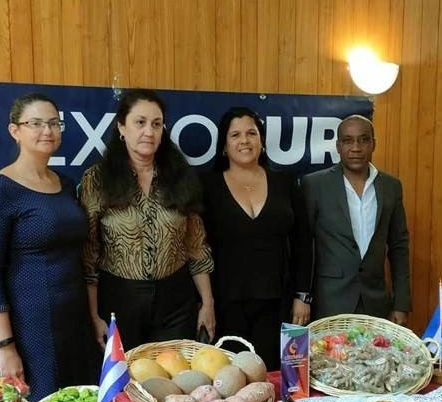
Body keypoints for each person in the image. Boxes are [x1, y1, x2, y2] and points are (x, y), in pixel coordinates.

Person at [0, 93, 99, 402]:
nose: (48, 131)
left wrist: (93, 317)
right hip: (31, 329)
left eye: (54, 123)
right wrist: (6, 347)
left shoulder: (67, 184)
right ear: (15, 130)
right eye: (36, 123)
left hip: (75, 321)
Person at [79, 89, 215, 351]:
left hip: (175, 301)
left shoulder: (180, 177)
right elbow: (89, 254)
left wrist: (207, 303)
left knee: (174, 382)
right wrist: (93, 315)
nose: (149, 132)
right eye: (139, 123)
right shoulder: (97, 180)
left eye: (156, 124)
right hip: (118, 299)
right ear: (122, 127)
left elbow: (196, 245)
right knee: (126, 383)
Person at [201, 107, 312, 369]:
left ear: (261, 141)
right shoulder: (206, 185)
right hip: (226, 304)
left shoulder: (285, 182)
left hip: (281, 303)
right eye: (235, 135)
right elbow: (196, 247)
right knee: (231, 384)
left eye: (251, 133)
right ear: (224, 146)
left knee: (284, 379)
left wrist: (303, 296)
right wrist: (204, 302)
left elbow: (303, 242)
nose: (245, 140)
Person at [300, 115, 411, 323]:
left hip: (376, 302)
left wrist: (401, 304)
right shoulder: (315, 185)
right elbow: (303, 247)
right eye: (348, 140)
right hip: (329, 302)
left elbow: (399, 247)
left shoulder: (391, 187)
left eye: (363, 139)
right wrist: (302, 296)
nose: (356, 148)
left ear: (373, 144)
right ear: (338, 146)